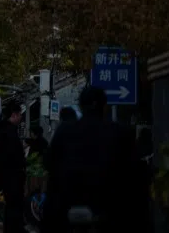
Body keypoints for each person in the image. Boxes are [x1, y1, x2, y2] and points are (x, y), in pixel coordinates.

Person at [42, 86, 145, 232]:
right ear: (104, 106)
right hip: (110, 212)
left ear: (81, 106)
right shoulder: (120, 133)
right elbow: (134, 175)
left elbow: (49, 164)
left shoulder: (64, 132)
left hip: (67, 210)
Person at [0, 101, 26, 233]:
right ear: (14, 115)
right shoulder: (10, 132)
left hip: (4, 175)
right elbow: (14, 155)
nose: (21, 118)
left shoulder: (0, 131)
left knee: (10, 205)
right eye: (20, 115)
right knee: (15, 205)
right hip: (13, 175)